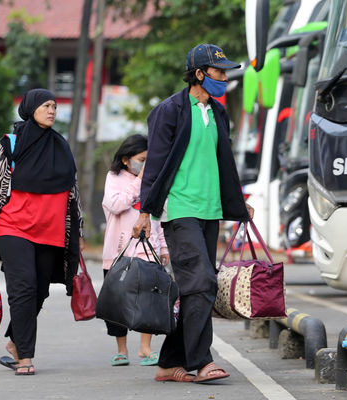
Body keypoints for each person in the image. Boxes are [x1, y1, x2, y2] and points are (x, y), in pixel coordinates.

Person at [132, 44, 254, 383]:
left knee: (196, 288)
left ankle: (169, 363)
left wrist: (238, 203)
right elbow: (155, 162)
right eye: (219, 73)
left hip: (210, 209)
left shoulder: (217, 112)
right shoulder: (169, 111)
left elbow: (224, 161)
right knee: (202, 281)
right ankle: (201, 361)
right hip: (180, 208)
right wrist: (145, 211)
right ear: (199, 74)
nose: (225, 78)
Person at [0, 88, 84, 376]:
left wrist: (79, 231)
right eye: (45, 105)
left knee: (39, 290)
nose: (51, 111)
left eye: (54, 106)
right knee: (23, 288)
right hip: (14, 226)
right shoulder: (10, 144)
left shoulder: (61, 145)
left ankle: (15, 340)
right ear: (31, 108)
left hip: (50, 230)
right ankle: (25, 357)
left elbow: (72, 192)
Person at [101, 134, 170, 367]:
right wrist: (140, 180)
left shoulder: (154, 180)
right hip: (119, 249)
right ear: (125, 160)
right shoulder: (114, 177)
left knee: (148, 298)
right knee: (117, 301)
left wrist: (164, 245)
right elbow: (116, 204)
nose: (145, 164)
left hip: (148, 248)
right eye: (142, 159)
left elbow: (158, 215)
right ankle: (122, 349)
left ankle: (145, 347)